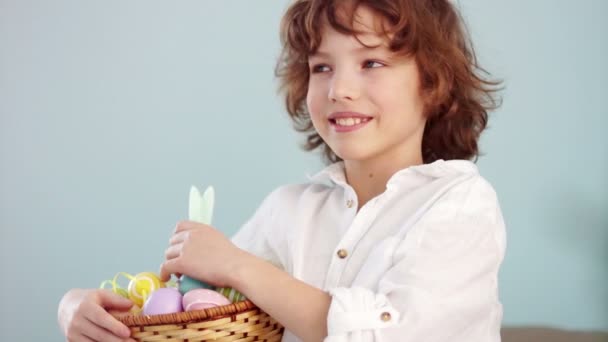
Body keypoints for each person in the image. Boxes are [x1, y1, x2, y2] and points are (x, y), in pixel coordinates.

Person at [58, 0, 506, 341]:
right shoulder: (288, 209)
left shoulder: (459, 204)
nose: (340, 88)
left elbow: (393, 333)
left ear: (434, 84)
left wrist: (239, 266)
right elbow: (199, 306)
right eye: (321, 67)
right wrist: (80, 308)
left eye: (372, 62)